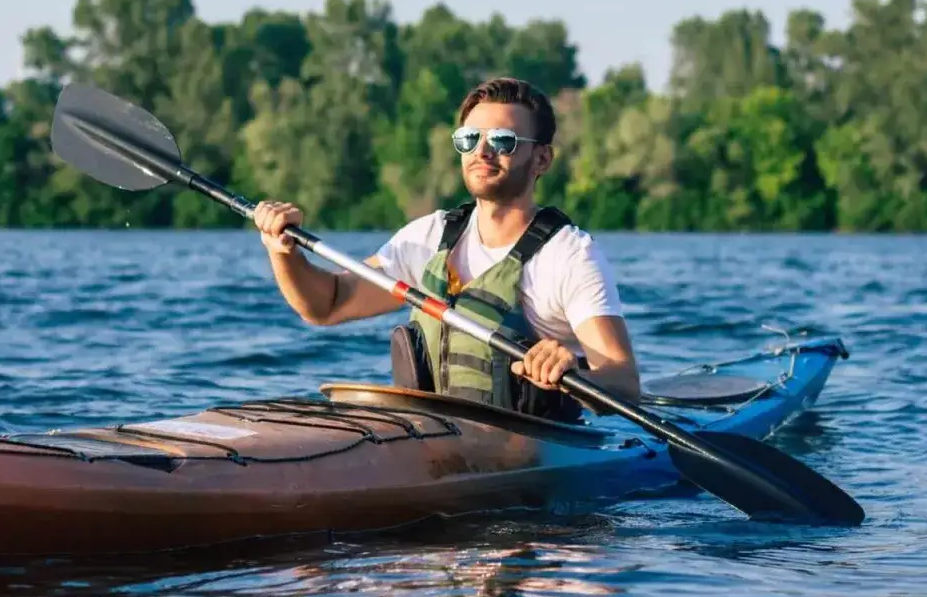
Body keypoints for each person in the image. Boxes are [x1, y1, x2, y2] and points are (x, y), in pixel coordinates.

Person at [252, 76, 641, 424]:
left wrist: (571, 372)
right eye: (469, 139)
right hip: (427, 439)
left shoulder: (568, 256)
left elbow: (623, 381)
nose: (482, 152)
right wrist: (283, 251)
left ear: (542, 159)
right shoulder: (429, 235)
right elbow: (327, 304)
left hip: (526, 453)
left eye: (502, 141)